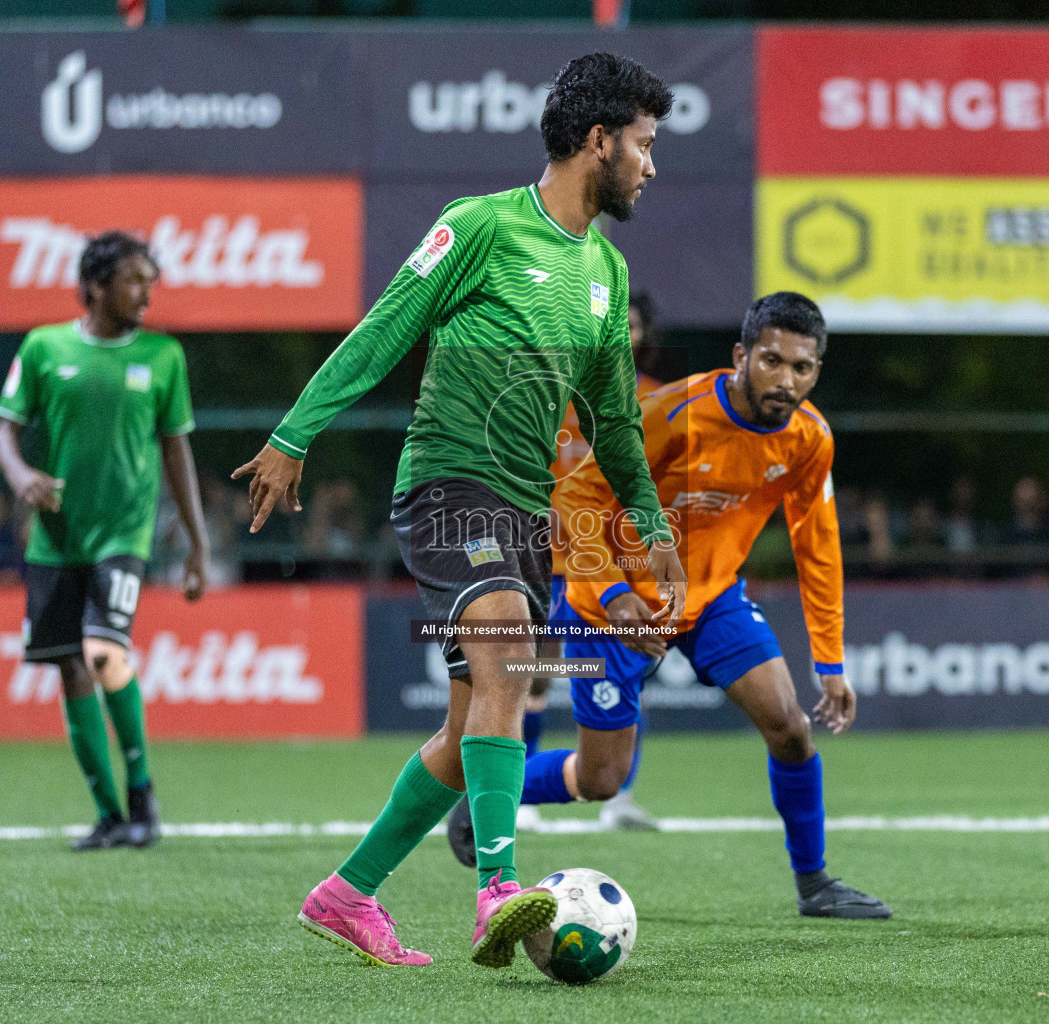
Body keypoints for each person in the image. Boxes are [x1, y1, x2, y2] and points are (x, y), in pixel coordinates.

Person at [234, 52, 687, 969]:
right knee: (512, 656)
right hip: (448, 484)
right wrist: (294, 434)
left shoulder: (603, 268)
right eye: (642, 145)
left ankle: (346, 894)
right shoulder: (479, 227)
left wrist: (653, 527)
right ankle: (498, 892)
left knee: (466, 724)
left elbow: (612, 425)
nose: (651, 164)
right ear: (596, 141)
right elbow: (385, 329)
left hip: (526, 514)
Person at [449, 292, 890, 921]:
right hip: (611, 612)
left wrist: (830, 662)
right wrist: (613, 592)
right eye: (771, 361)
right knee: (600, 777)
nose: (786, 380)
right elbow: (576, 497)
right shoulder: (670, 412)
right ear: (741, 355)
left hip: (710, 600)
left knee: (791, 727)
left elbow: (817, 547)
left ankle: (815, 883)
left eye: (802, 368)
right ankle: (490, 791)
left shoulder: (809, 439)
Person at [0, 230, 211, 853]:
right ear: (96, 285)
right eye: (135, 279)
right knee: (69, 667)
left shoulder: (165, 356)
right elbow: (4, 432)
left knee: (103, 652)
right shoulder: (43, 347)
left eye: (150, 279)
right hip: (55, 541)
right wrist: (20, 476)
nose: (147, 291)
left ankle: (142, 793)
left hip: (124, 534)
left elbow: (177, 451)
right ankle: (109, 814)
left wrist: (197, 546)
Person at [517, 288, 665, 836]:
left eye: (632, 325)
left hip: (624, 563)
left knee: (629, 672)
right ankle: (521, 799)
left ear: (645, 334)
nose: (623, 335)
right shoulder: (550, 394)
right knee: (535, 676)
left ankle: (621, 796)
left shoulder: (659, 400)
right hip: (550, 557)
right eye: (612, 324)